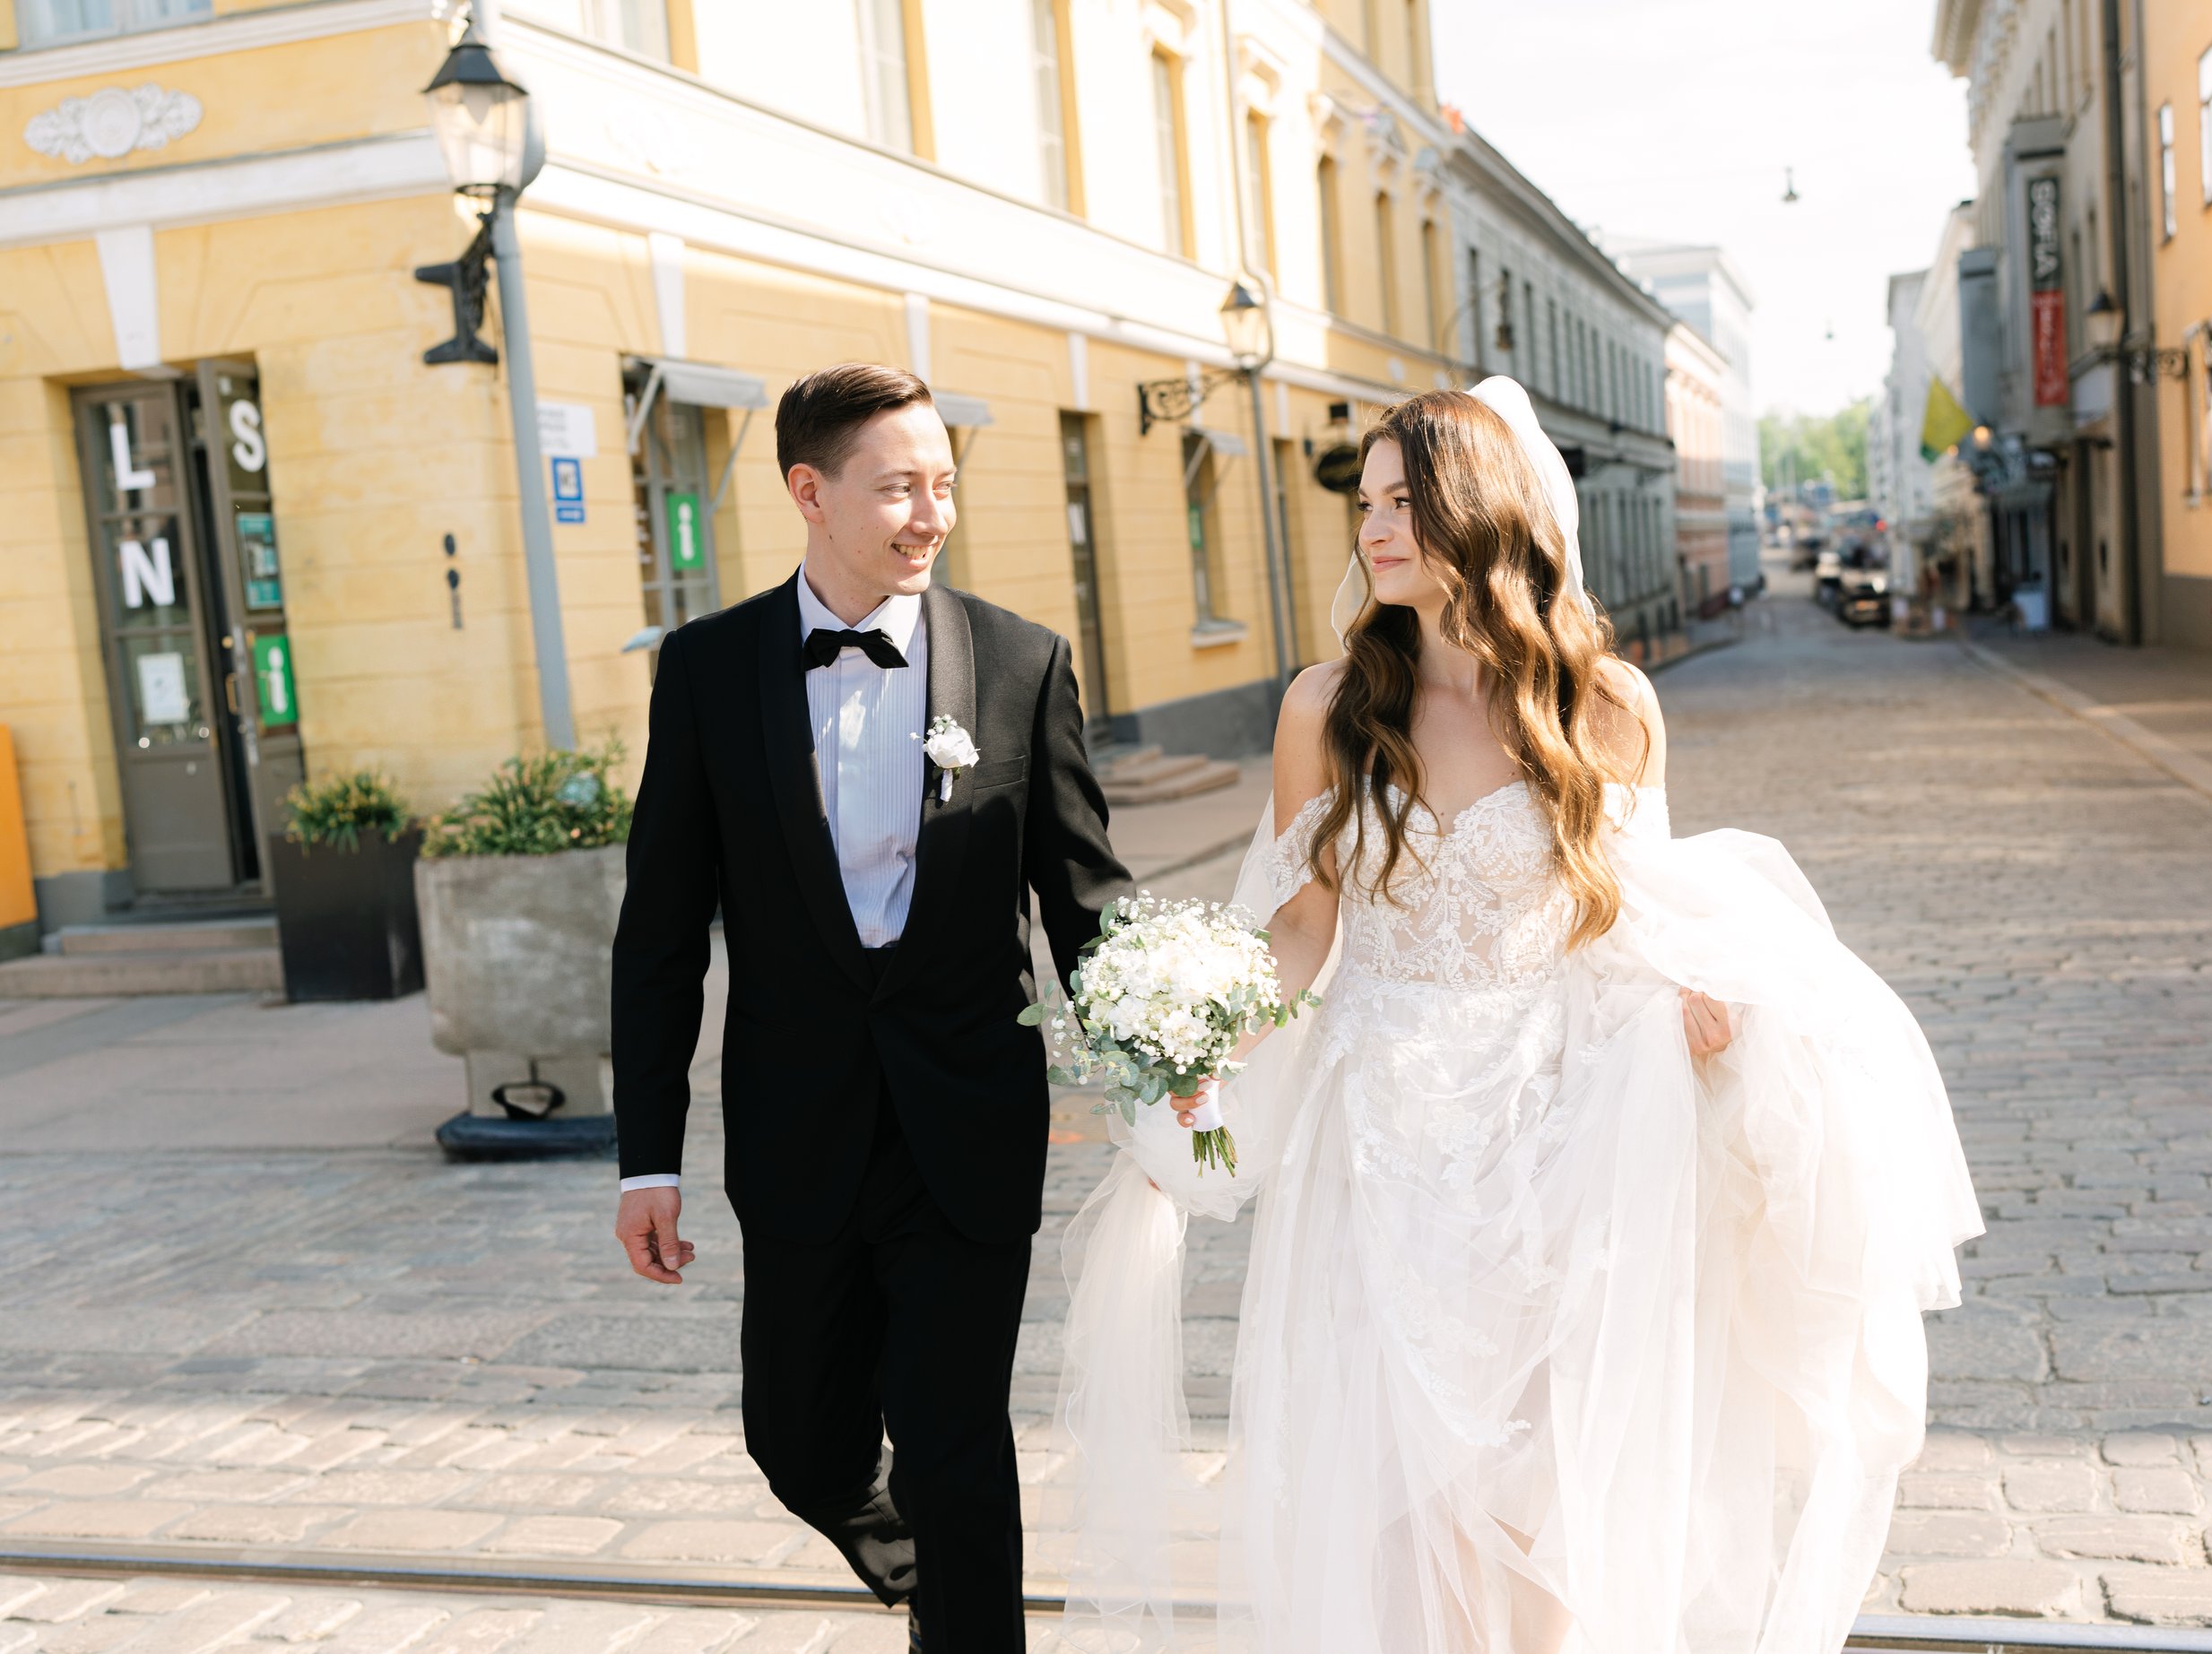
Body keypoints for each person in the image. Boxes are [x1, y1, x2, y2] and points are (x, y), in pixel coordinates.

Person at [1045, 381, 1982, 1654]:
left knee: (1541, 1487)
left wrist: (1703, 1004)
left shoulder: (1604, 707)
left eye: (1403, 504)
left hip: (1550, 1132)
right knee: (1383, 1484)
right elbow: (1303, 928)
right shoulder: (1326, 706)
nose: (1372, 530)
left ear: (1478, 514)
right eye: (1365, 504)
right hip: (1372, 1137)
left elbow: (1635, 910)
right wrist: (1196, 1055)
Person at [610, 362, 1133, 1654]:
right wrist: (645, 1158)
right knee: (798, 1440)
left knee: (959, 1446)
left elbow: (1085, 897)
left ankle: (965, 1614)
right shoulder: (708, 670)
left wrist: (1163, 1047)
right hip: (799, 1133)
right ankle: (933, 1575)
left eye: (943, 484)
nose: (929, 513)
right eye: (900, 486)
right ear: (810, 491)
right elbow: (661, 935)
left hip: (968, 1125)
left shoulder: (1019, 661)